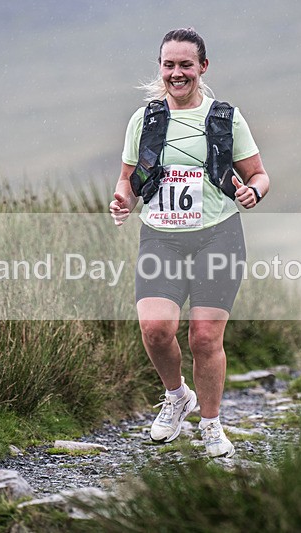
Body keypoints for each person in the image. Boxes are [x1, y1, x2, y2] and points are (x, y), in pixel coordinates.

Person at [109, 27, 269, 458]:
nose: (177, 73)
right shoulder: (145, 119)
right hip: (161, 237)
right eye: (169, 65)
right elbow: (128, 178)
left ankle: (212, 425)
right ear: (160, 68)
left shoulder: (225, 118)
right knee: (157, 330)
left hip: (219, 235)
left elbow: (258, 173)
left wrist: (255, 190)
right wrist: (122, 199)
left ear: (202, 67)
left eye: (185, 65)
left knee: (203, 337)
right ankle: (178, 396)